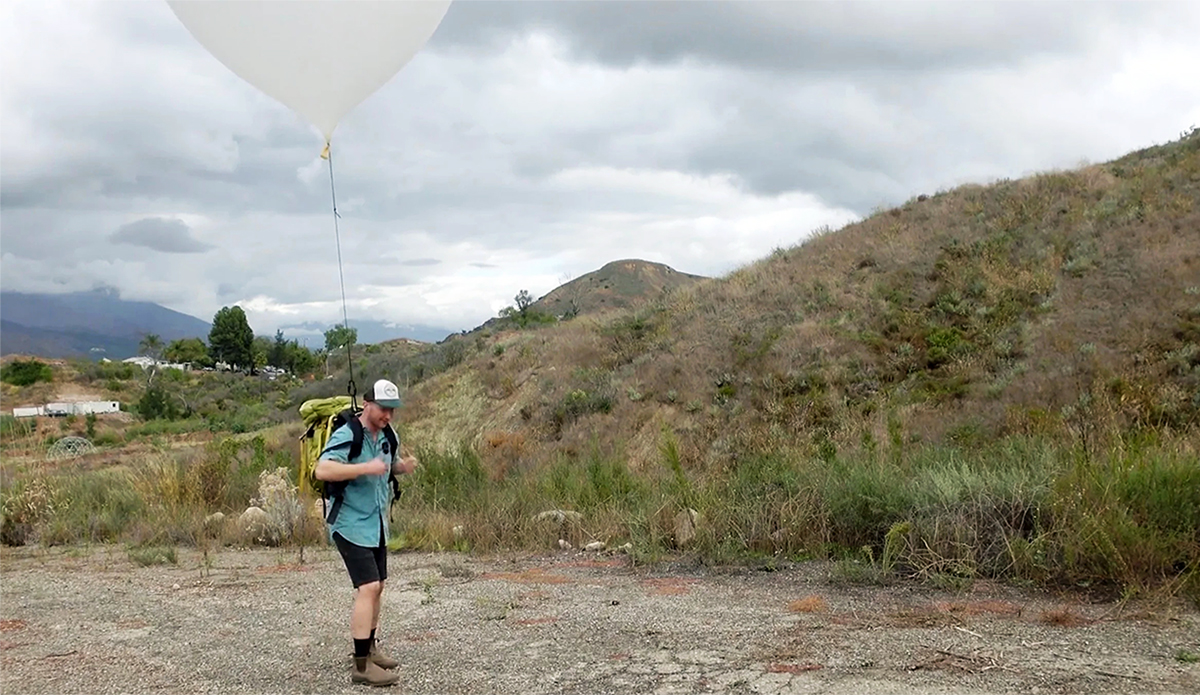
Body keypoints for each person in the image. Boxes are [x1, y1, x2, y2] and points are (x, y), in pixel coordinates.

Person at [315, 378, 418, 687]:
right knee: (369, 587)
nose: (388, 415)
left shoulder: (388, 435)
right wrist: (363, 468)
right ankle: (361, 667)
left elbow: (388, 465)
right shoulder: (349, 434)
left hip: (376, 524)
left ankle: (370, 649)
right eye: (384, 409)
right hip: (349, 523)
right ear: (368, 404)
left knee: (380, 585)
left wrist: (402, 467)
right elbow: (323, 469)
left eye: (392, 410)